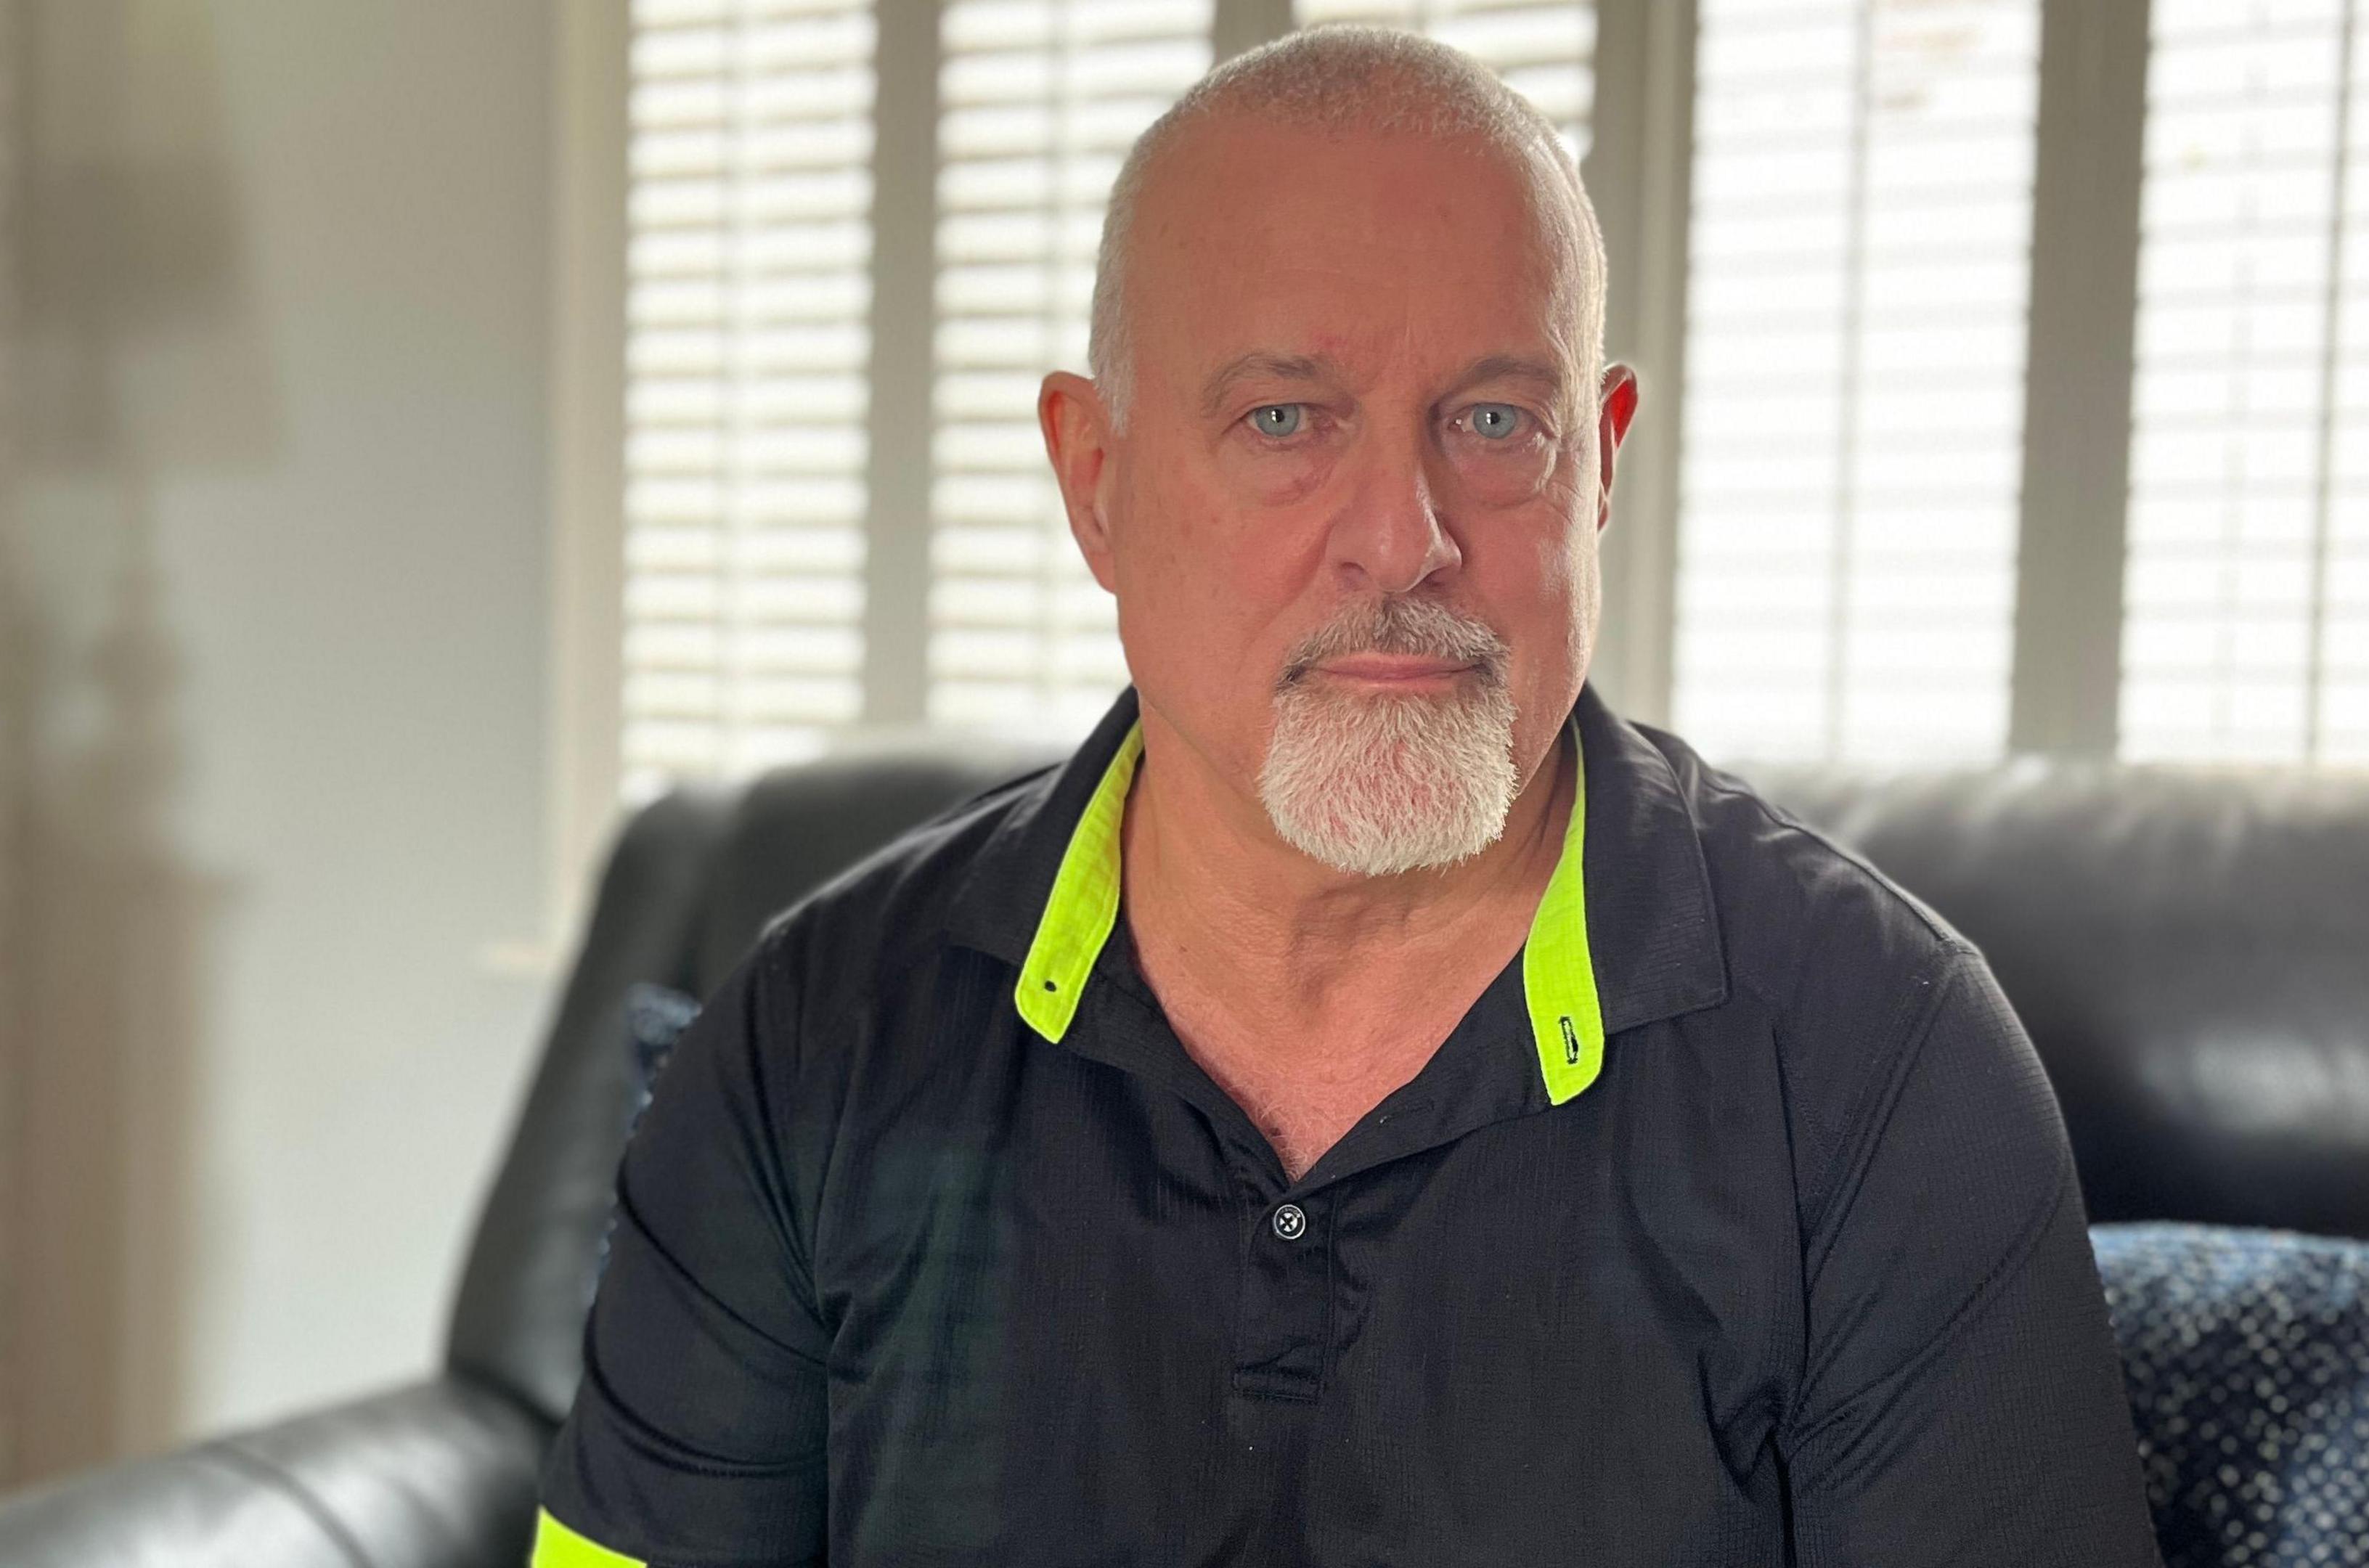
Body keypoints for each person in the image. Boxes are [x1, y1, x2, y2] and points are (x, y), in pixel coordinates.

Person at [531, 25, 2161, 1567]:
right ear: (1096, 483)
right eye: (1287, 420)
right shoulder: (804, 1045)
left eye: (1494, 421)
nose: (1402, 537)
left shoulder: (1884, 1065)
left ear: (1599, 462)